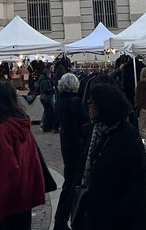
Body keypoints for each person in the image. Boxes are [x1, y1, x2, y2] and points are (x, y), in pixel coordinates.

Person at [72, 84, 146, 230]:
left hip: (121, 218)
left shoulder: (127, 135)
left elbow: (140, 180)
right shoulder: (95, 131)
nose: (89, 107)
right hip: (97, 212)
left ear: (104, 105)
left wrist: (119, 209)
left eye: (92, 103)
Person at [0, 82, 45, 230]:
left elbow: (4, 171)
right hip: (24, 195)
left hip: (9, 201)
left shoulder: (4, 130)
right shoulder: (22, 123)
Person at [53, 73, 87, 230]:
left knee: (69, 181)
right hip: (76, 144)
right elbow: (84, 120)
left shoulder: (61, 100)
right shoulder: (75, 101)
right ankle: (64, 218)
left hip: (66, 142)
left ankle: (62, 219)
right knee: (72, 183)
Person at [36, 66, 57, 133]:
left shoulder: (43, 80)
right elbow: (45, 90)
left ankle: (46, 126)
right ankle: (46, 126)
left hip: (44, 97)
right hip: (46, 98)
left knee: (47, 112)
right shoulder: (45, 81)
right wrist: (52, 89)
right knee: (48, 112)